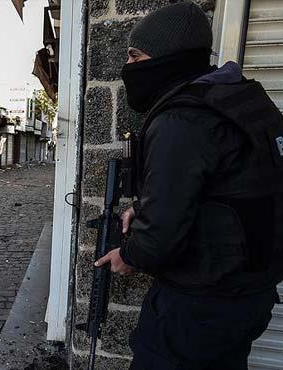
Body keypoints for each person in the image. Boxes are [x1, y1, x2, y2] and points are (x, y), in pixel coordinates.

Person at [93, 2, 283, 370]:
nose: (129, 68)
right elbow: (224, 190)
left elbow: (161, 233)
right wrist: (144, 205)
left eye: (135, 56)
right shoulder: (243, 99)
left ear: (168, 57)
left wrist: (129, 256)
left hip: (201, 304)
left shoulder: (183, 120)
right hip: (249, 296)